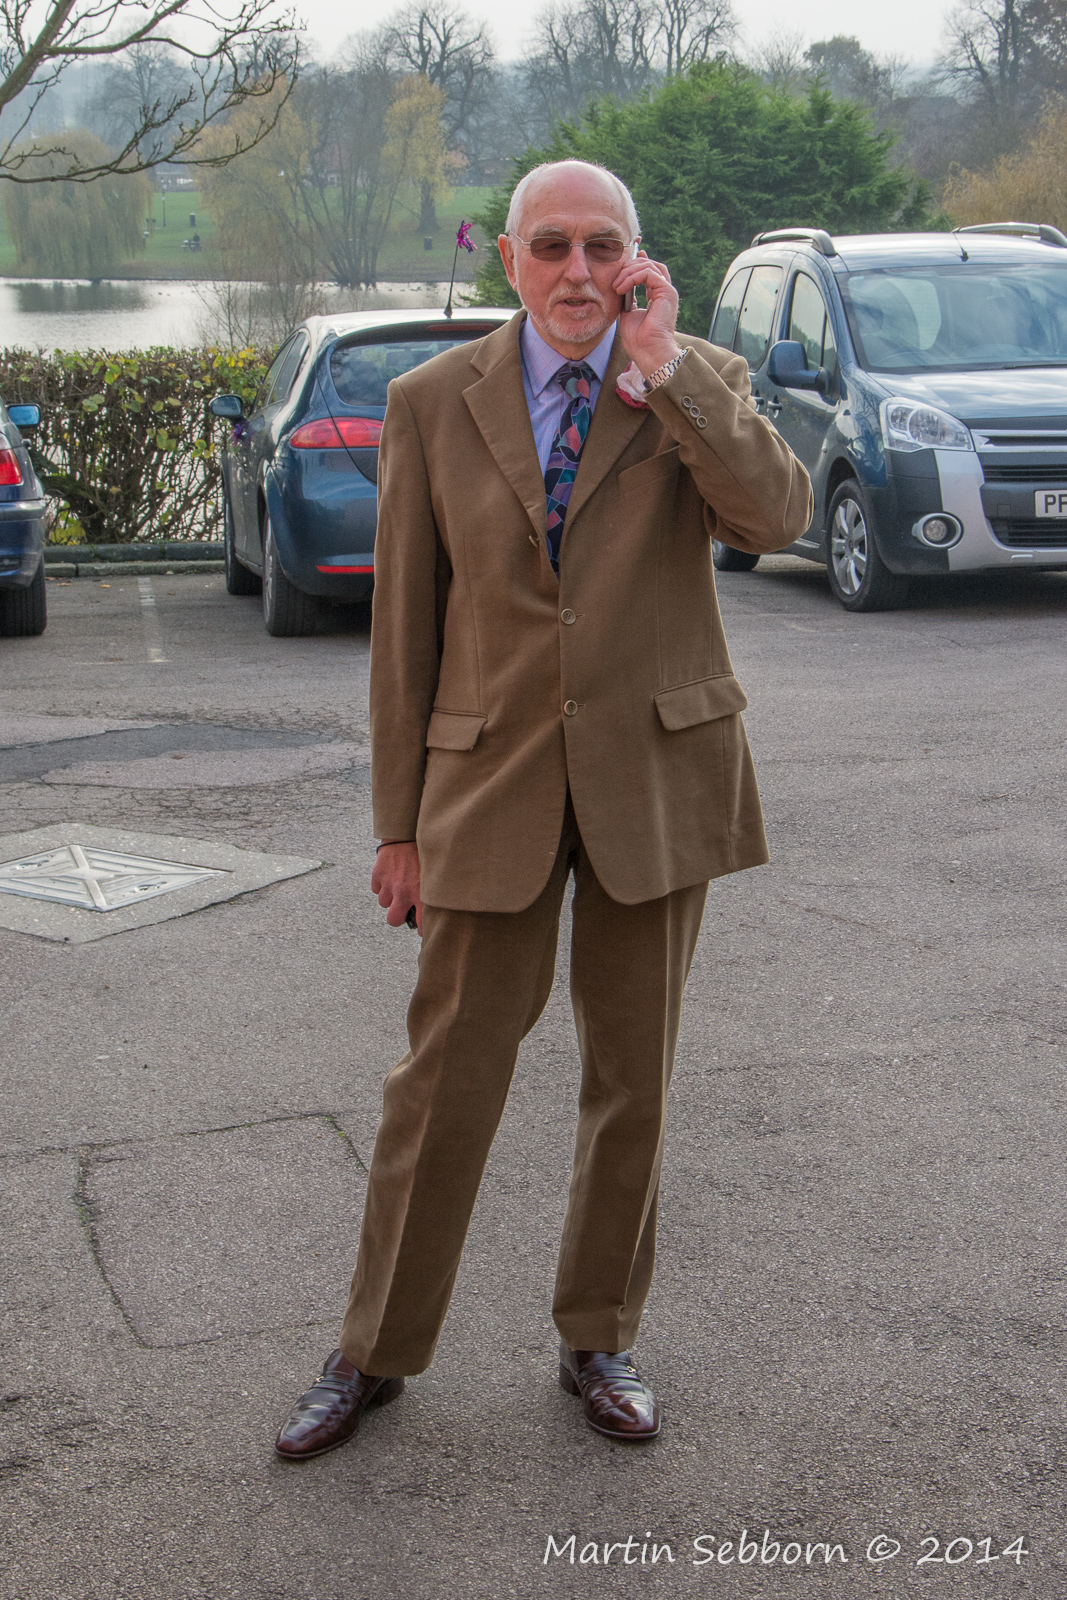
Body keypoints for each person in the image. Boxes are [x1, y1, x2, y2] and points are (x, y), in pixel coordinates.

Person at [275, 159, 812, 1458]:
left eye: (604, 246)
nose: (580, 271)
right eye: (554, 245)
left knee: (635, 1080)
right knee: (442, 1080)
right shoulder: (430, 401)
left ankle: (599, 1335)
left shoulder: (694, 382)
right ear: (509, 259)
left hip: (656, 779)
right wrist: (396, 826)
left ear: (638, 261)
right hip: (485, 785)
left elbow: (775, 517)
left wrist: (668, 368)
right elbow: (405, 630)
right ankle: (374, 1349)